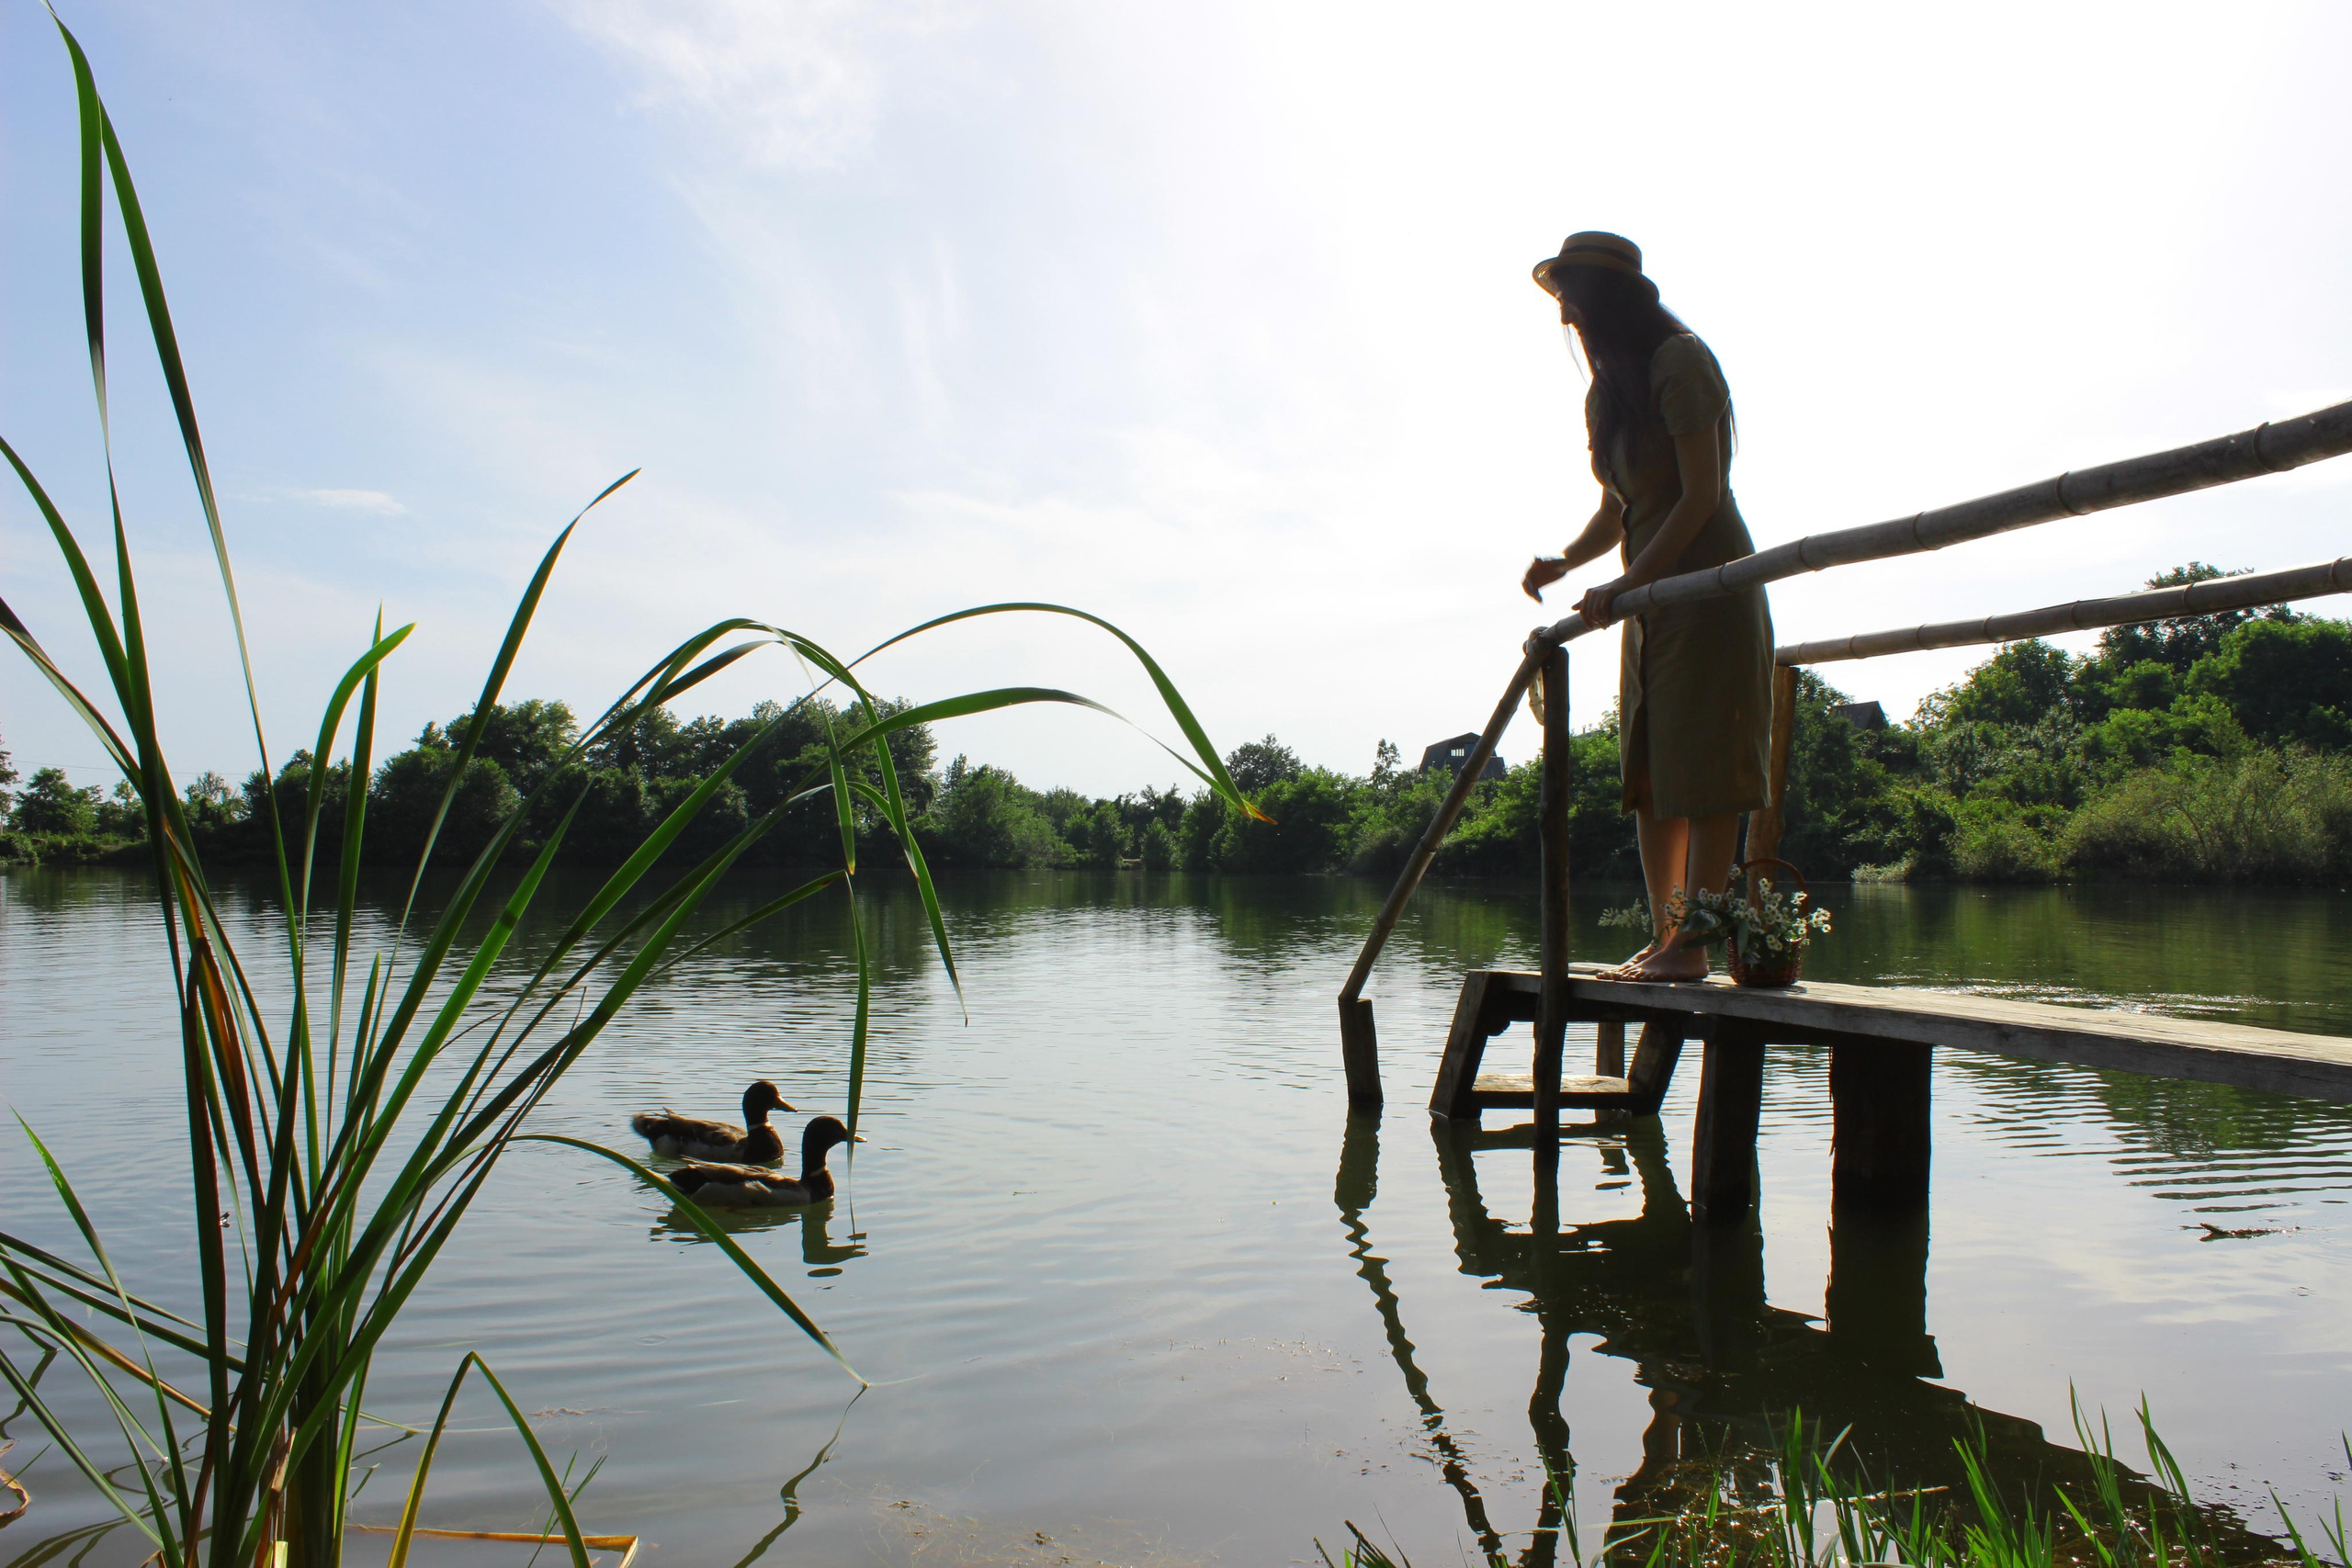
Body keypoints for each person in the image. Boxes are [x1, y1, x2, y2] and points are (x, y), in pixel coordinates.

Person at [1520, 231, 1773, 981]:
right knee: (1653, 768)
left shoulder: (1680, 361)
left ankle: (1692, 943)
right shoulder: (1610, 390)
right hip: (1649, 601)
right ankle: (1668, 936)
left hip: (1709, 586)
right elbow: (1621, 510)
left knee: (1708, 764)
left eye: (1572, 300)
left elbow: (1700, 497)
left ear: (1608, 301)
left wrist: (1628, 587)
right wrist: (1568, 561)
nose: (1566, 318)